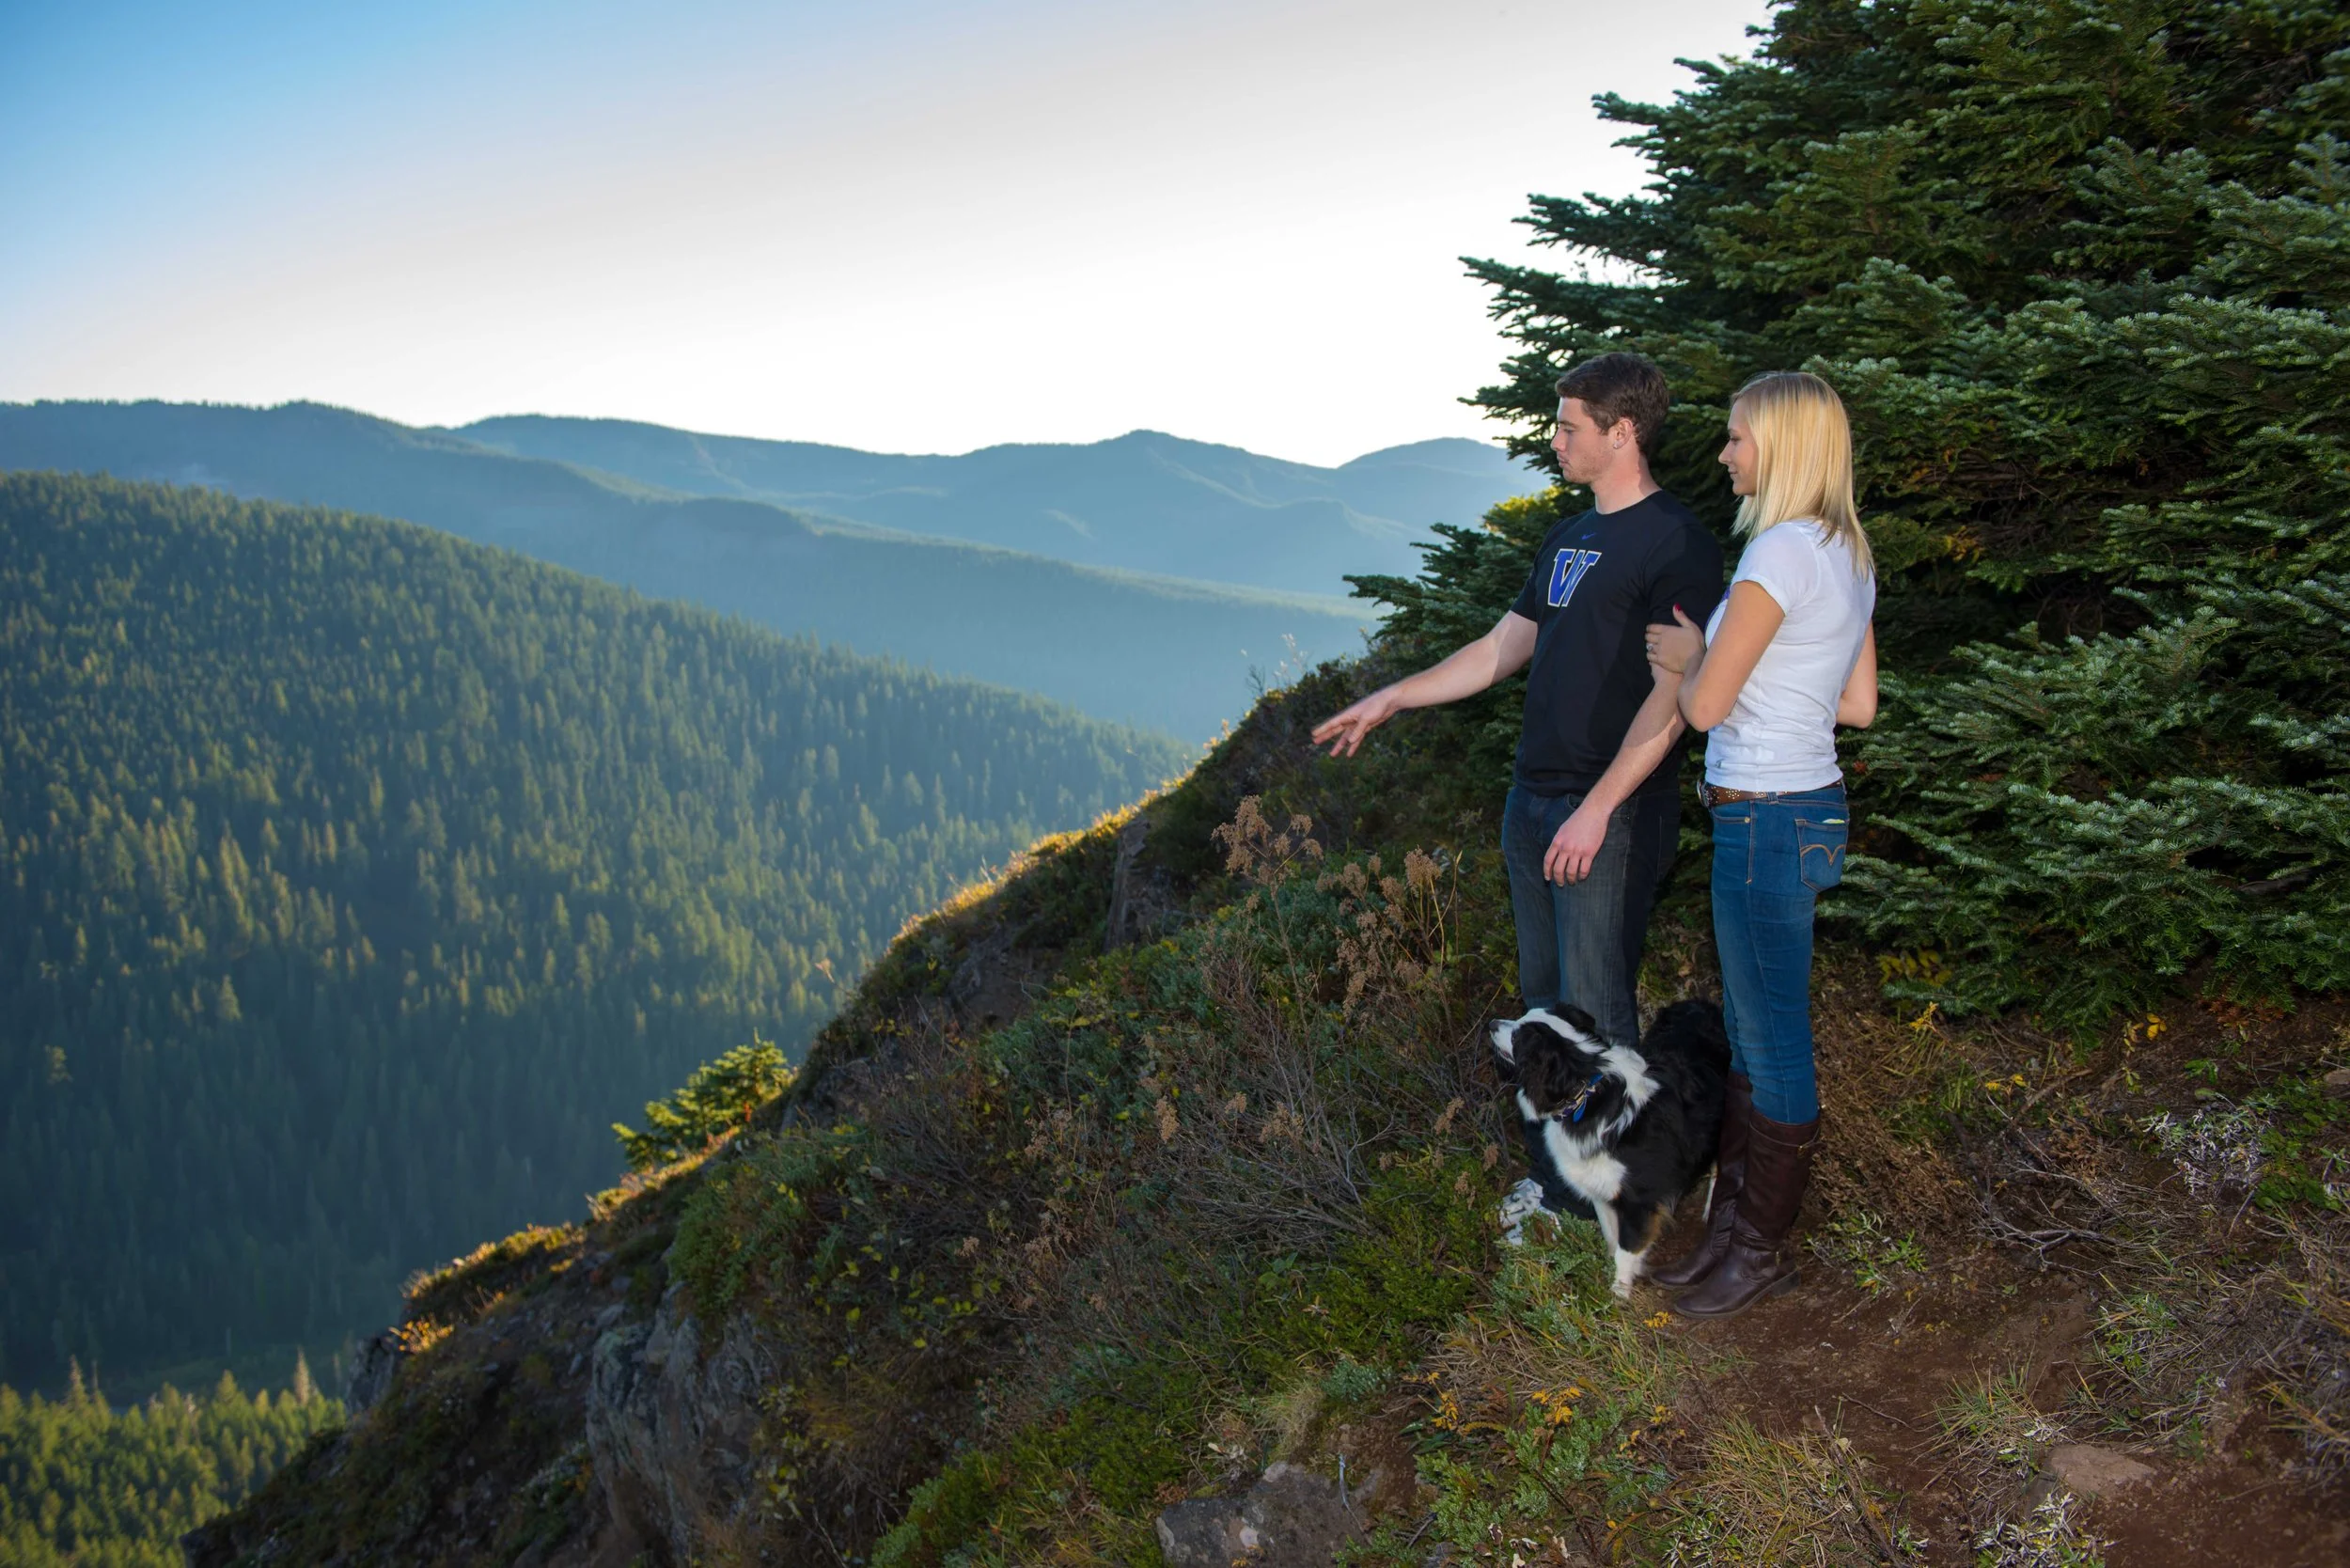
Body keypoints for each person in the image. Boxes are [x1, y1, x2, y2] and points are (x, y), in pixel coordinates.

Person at [1312, 352, 1723, 1054]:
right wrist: (1393, 697)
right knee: (1544, 1013)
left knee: (1595, 1020)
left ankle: (1614, 1166)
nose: (1554, 442)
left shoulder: (1676, 542)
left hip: (1608, 812)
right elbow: (1503, 646)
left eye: (1568, 429)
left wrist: (1597, 810)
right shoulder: (1569, 535)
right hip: (1531, 801)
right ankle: (1555, 1167)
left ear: (1622, 431)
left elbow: (1675, 697)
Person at [1641, 370, 1878, 1320]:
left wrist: (1687, 657)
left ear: (1778, 447)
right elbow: (1857, 705)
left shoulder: (1777, 553)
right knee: (1753, 1035)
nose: (1724, 453)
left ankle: (1755, 1256)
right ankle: (1728, 1238)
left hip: (1762, 815)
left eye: (1737, 438)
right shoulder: (1846, 553)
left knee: (1771, 1046)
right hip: (1808, 807)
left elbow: (1702, 706)